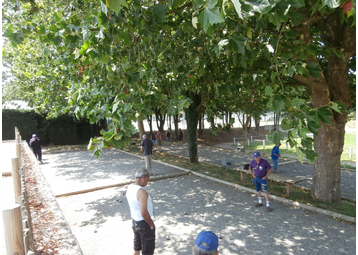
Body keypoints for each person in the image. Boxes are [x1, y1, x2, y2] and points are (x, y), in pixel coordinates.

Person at [126, 168, 155, 255]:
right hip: (144, 224)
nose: (148, 180)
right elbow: (143, 212)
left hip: (135, 222)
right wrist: (151, 224)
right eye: (148, 177)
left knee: (137, 247)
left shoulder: (130, 187)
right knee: (147, 251)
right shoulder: (141, 191)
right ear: (143, 177)